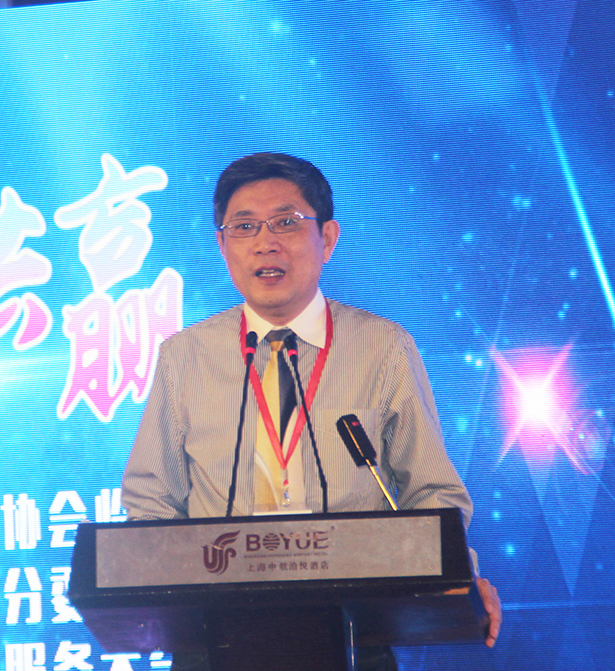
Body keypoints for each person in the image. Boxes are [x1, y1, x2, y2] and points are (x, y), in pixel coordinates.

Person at [120, 153, 501, 663]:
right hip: (218, 635)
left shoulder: (382, 347)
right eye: (244, 227)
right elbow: (151, 501)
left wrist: (460, 573)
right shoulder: (185, 355)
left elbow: (431, 492)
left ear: (328, 238)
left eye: (286, 222)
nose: (265, 242)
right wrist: (167, 598)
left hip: (354, 628)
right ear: (222, 246)